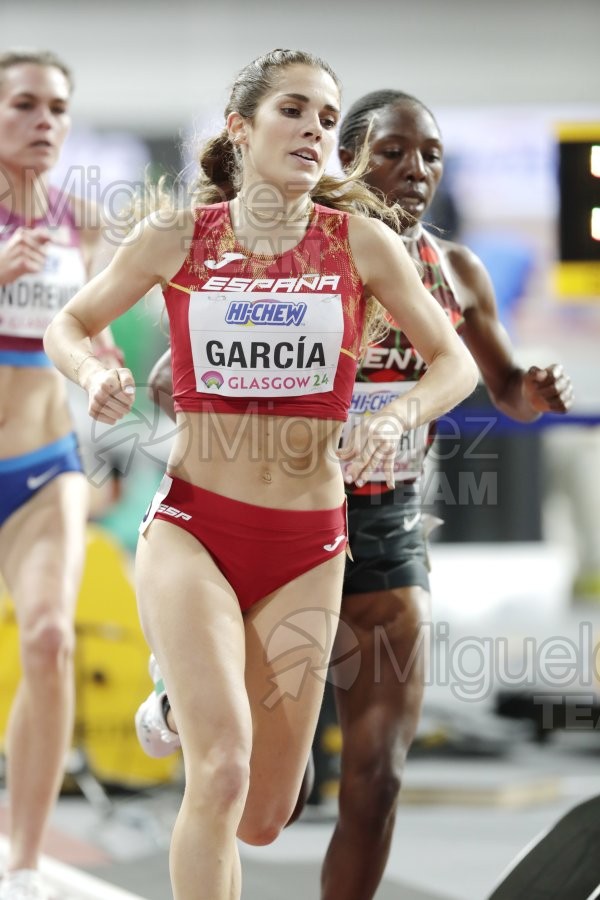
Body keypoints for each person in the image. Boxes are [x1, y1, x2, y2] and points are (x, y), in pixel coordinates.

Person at [43, 50, 477, 900]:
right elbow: (70, 319)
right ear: (241, 128)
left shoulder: (359, 241)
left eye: (328, 117)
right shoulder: (177, 235)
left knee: (267, 813)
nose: (316, 129)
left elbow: (452, 363)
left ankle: (174, 705)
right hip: (195, 530)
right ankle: (189, 699)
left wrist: (393, 416)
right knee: (223, 768)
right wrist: (94, 374)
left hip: (310, 545)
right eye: (295, 110)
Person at [134, 86, 575, 900]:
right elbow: (179, 376)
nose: (415, 171)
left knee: (378, 775)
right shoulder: (305, 256)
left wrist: (532, 390)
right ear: (349, 160)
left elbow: (502, 385)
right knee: (278, 791)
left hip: (390, 527)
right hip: (288, 518)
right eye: (393, 153)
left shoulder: (455, 271)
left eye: (431, 155)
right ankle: (180, 702)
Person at [0, 50, 123, 900]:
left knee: (49, 639)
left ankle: (24, 860)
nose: (45, 121)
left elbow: (97, 343)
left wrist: (104, 371)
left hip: (47, 467)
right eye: (24, 105)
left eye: (58, 108)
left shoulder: (85, 223)